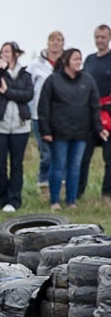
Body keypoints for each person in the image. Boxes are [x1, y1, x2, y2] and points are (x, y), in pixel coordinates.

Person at [39, 48, 108, 210]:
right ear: (66, 61)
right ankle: (55, 200)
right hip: (59, 132)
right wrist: (46, 131)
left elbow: (94, 106)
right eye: (76, 59)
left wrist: (99, 128)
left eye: (80, 59)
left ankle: (71, 200)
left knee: (75, 166)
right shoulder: (53, 80)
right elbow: (44, 107)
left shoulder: (88, 80)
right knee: (58, 165)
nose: (79, 62)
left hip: (81, 132)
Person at [0, 41, 34, 212]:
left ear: (15, 53)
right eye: (2, 51)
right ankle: (1, 198)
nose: (4, 54)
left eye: (8, 51)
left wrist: (8, 92)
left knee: (16, 164)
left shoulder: (25, 74)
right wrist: (1, 69)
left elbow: (28, 95)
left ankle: (14, 200)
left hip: (20, 127)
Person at [28, 31, 64, 189]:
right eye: (53, 40)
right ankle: (43, 184)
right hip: (39, 115)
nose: (56, 43)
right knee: (46, 155)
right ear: (47, 43)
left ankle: (59, 186)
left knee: (60, 154)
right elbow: (28, 87)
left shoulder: (67, 64)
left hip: (62, 116)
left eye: (59, 40)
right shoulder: (36, 65)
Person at [79, 24, 111, 202]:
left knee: (109, 158)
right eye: (97, 37)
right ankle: (78, 193)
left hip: (109, 115)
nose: (100, 40)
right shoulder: (89, 60)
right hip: (90, 114)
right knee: (83, 157)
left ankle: (107, 194)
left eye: (103, 37)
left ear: (109, 38)